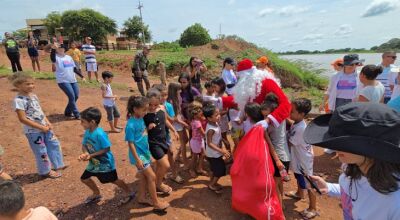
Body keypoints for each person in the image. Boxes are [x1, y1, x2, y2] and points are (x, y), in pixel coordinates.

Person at [304, 102, 400, 220]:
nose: (335, 148)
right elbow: (358, 190)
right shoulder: (355, 167)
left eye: (345, 144)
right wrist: (329, 187)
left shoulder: (394, 202)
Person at [10, 72, 66, 178]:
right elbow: (22, 119)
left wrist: (47, 122)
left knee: (54, 144)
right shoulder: (18, 100)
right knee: (41, 151)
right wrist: (40, 127)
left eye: (32, 83)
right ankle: (46, 171)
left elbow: (39, 111)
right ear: (18, 85)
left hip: (45, 127)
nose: (31, 86)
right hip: (33, 132)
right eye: (27, 84)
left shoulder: (34, 96)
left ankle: (58, 164)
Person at [78, 107, 134, 204]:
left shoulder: (100, 134)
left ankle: (129, 192)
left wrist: (91, 155)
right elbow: (84, 145)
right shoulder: (87, 132)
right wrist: (86, 153)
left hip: (105, 163)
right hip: (94, 163)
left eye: (83, 121)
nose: (81, 124)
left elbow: (106, 149)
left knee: (113, 180)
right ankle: (96, 193)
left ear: (92, 122)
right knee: (84, 179)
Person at [125, 96, 170, 211]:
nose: (146, 111)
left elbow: (142, 135)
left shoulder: (140, 118)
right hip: (139, 155)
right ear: (135, 109)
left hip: (144, 153)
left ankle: (142, 197)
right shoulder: (130, 125)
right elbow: (130, 144)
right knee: (152, 176)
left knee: (144, 177)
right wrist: (138, 159)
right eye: (144, 109)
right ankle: (156, 203)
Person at [221, 59, 291, 129]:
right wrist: (219, 101)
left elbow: (285, 104)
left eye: (241, 78)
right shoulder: (248, 86)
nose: (240, 80)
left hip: (273, 125)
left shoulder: (267, 82)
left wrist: (268, 120)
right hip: (257, 124)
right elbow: (237, 99)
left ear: (246, 76)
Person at [285, 98, 318, 219]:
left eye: (292, 111)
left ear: (302, 114)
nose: (290, 112)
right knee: (298, 175)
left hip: (304, 160)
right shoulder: (297, 123)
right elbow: (291, 123)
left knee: (309, 183)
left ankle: (313, 208)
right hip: (299, 158)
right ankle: (299, 193)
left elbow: (289, 142)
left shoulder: (301, 129)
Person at [144, 89, 178, 195]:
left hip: (163, 140)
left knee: (160, 165)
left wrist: (174, 130)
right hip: (153, 143)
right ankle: (159, 184)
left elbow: (165, 120)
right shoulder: (144, 113)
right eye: (150, 104)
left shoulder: (162, 108)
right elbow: (140, 131)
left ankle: (156, 183)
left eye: (155, 104)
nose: (153, 107)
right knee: (166, 165)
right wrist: (148, 128)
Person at [260, 93, 291, 208]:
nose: (265, 119)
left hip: (279, 158)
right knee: (279, 184)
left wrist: (277, 161)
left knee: (273, 186)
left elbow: (270, 144)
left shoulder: (267, 125)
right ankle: (281, 206)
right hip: (286, 157)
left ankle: (280, 214)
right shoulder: (281, 117)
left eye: (266, 116)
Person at [153, 84, 184, 184]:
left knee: (170, 152)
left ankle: (174, 174)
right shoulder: (152, 106)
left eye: (165, 95)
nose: (164, 97)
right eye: (161, 95)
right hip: (155, 136)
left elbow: (171, 120)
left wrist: (165, 113)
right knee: (159, 157)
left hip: (165, 133)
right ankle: (160, 175)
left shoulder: (168, 106)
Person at [50, 43, 84, 120]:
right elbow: (52, 58)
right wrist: (53, 49)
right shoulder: (55, 57)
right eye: (59, 48)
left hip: (72, 79)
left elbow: (74, 69)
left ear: (65, 49)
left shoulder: (69, 57)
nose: (61, 49)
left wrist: (81, 76)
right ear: (57, 50)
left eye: (62, 48)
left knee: (76, 96)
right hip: (63, 81)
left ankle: (68, 112)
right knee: (72, 96)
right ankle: (76, 114)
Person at [203, 104, 230, 194]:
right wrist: (222, 150)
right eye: (216, 115)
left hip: (215, 153)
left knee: (214, 168)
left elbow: (217, 136)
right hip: (214, 154)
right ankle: (212, 185)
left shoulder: (215, 123)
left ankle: (212, 181)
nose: (219, 116)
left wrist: (223, 140)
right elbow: (210, 143)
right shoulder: (211, 129)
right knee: (220, 170)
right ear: (209, 118)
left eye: (218, 114)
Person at [178, 73, 201, 165]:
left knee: (194, 136)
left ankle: (195, 155)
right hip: (183, 117)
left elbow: (198, 103)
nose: (182, 84)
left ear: (188, 81)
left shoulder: (193, 90)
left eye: (184, 82)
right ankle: (192, 154)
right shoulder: (179, 90)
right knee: (188, 137)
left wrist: (188, 105)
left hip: (192, 117)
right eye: (181, 82)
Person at [167, 82, 190, 173]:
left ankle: (177, 156)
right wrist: (183, 123)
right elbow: (174, 118)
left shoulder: (178, 97)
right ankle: (185, 163)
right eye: (179, 89)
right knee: (183, 142)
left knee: (186, 139)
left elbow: (179, 112)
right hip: (177, 123)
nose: (181, 90)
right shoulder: (171, 102)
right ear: (174, 91)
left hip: (181, 120)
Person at [211, 77, 231, 153]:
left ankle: (229, 154)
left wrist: (216, 114)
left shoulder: (224, 96)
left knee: (223, 137)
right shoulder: (215, 94)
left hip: (222, 120)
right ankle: (220, 153)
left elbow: (226, 111)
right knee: (217, 138)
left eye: (215, 87)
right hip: (215, 119)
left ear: (221, 85)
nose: (214, 88)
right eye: (213, 87)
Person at [189, 105, 207, 178]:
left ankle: (199, 168)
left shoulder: (195, 120)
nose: (202, 113)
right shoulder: (198, 123)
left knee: (202, 154)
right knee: (195, 157)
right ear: (196, 115)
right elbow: (203, 133)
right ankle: (191, 170)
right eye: (200, 113)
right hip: (196, 142)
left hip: (198, 141)